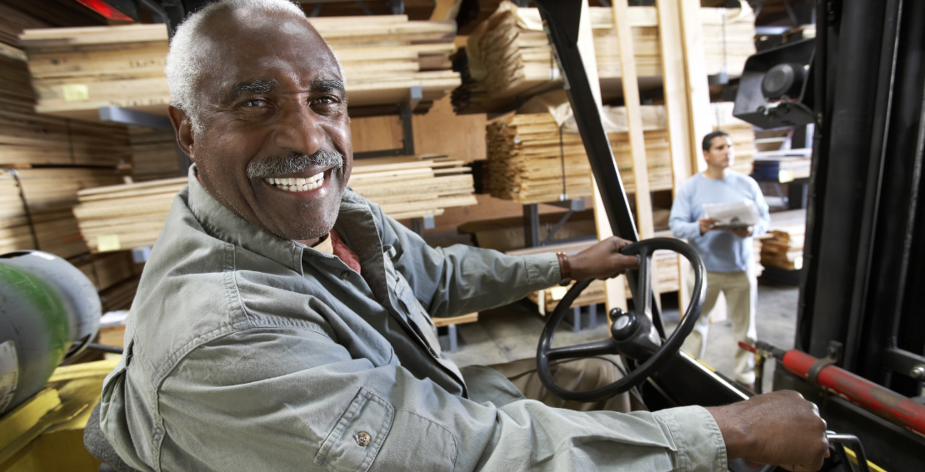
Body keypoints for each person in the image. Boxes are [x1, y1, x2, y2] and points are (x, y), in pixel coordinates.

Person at [97, 1, 827, 471]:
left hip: (404, 404)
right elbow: (459, 457)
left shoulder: (335, 214)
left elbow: (439, 275)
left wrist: (567, 261)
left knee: (600, 377)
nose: (304, 135)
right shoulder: (226, 335)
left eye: (324, 100)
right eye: (253, 103)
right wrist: (730, 433)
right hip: (388, 447)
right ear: (188, 130)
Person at [669, 130, 772, 389]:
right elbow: (677, 225)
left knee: (745, 328)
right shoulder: (691, 188)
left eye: (730, 146)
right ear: (706, 154)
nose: (728, 151)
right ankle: (691, 372)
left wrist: (750, 230)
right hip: (705, 270)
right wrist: (700, 227)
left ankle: (745, 378)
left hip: (740, 268)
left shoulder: (747, 184)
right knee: (695, 325)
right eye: (720, 147)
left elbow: (765, 220)